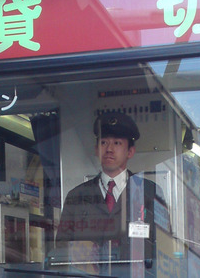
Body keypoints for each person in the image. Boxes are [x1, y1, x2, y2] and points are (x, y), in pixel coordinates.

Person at [55, 112, 161, 275]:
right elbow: (61, 248)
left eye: (117, 143)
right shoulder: (77, 196)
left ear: (130, 151)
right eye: (104, 143)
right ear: (97, 150)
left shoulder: (149, 193)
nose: (109, 149)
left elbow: (162, 248)